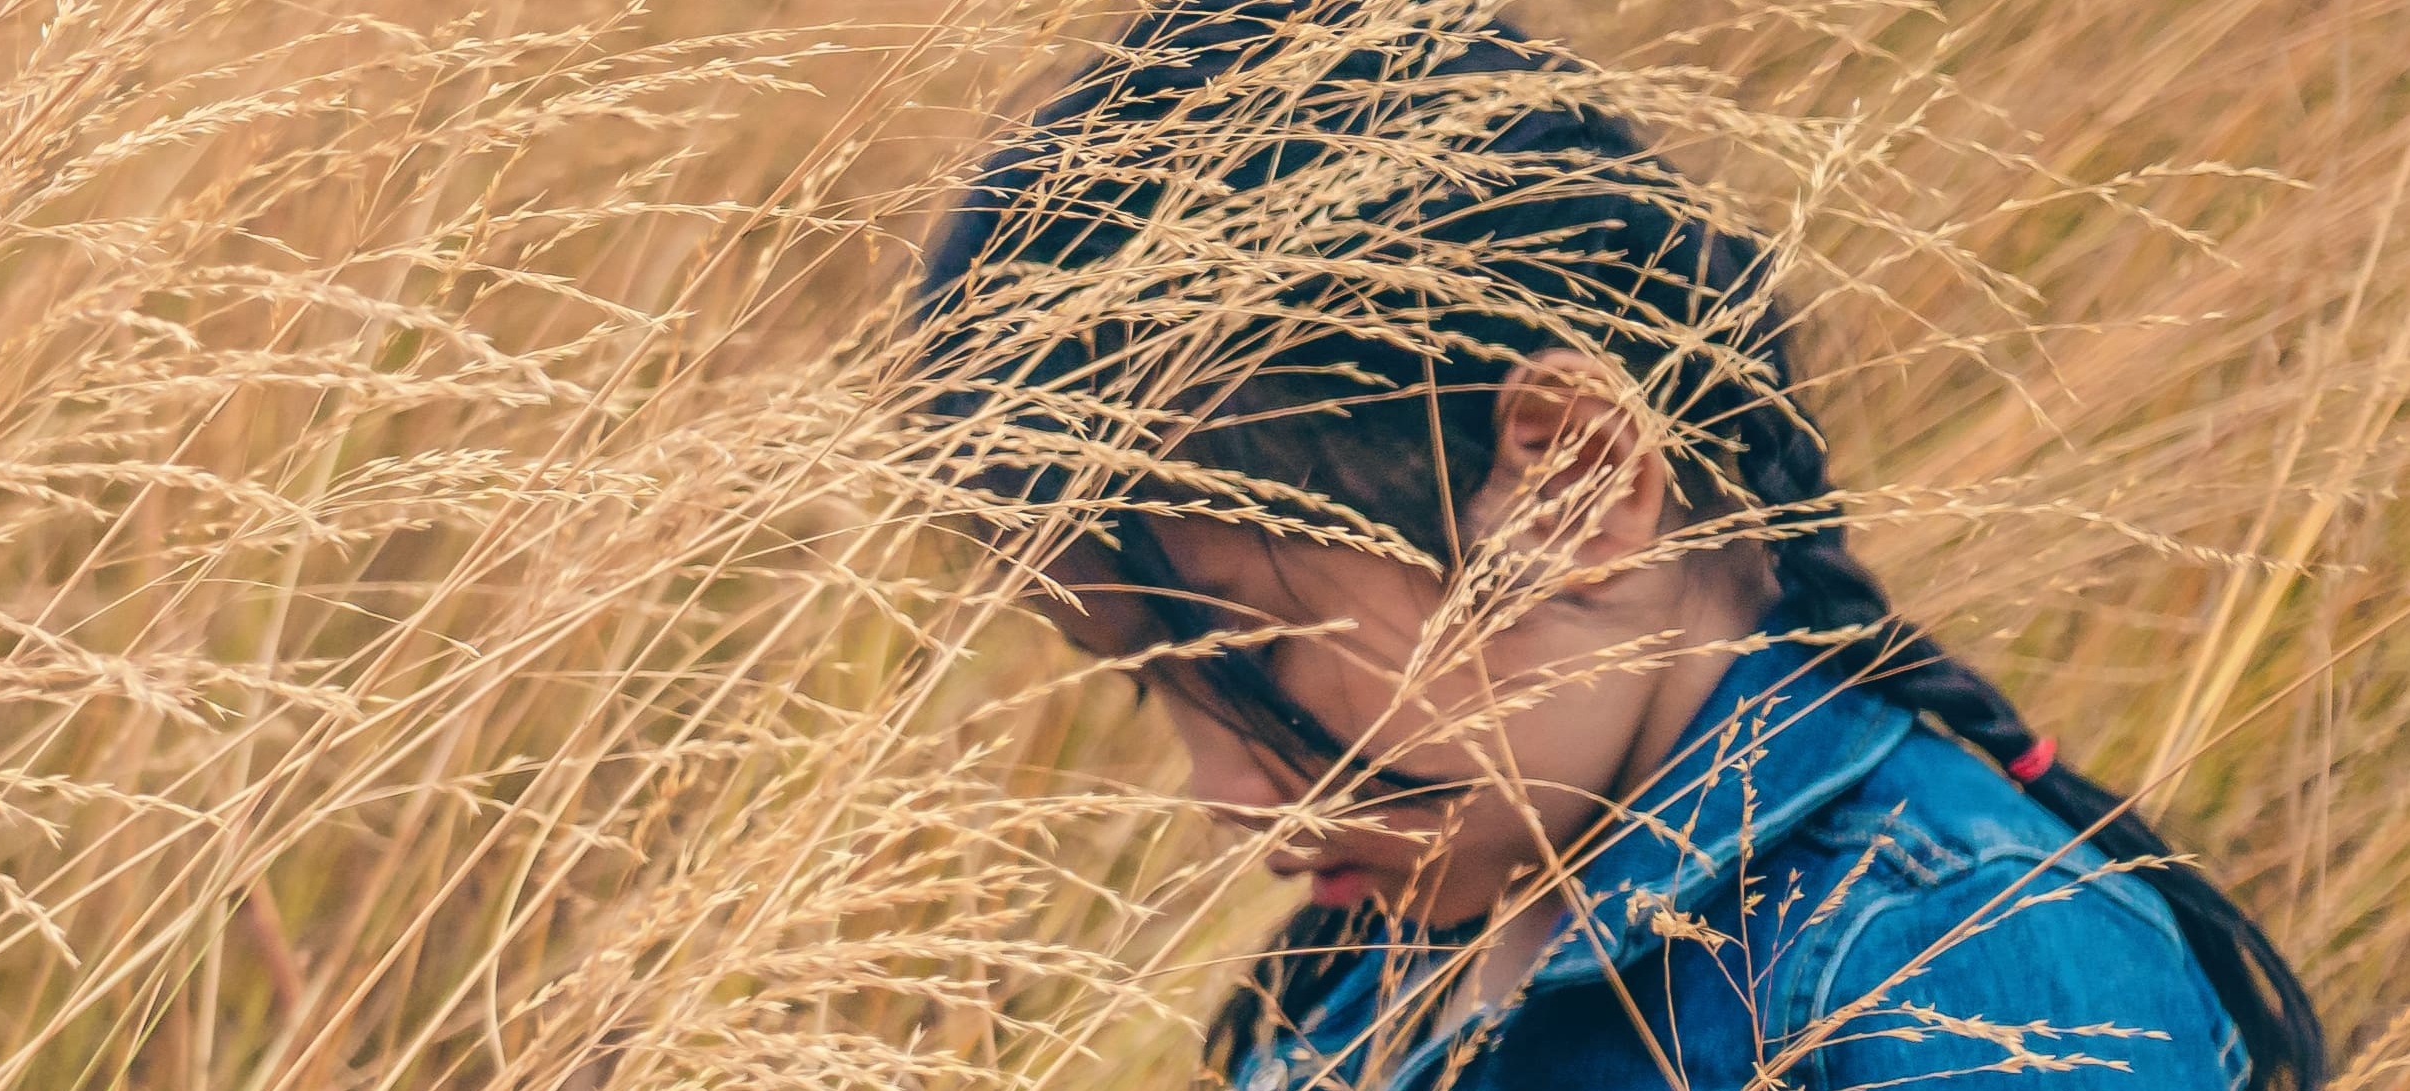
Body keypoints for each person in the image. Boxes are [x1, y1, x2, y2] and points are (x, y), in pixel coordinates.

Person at [901, 3, 2323, 1088]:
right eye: (1151, 685)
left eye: (1245, 653)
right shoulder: (1389, 968)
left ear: (1577, 476)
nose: (1227, 794)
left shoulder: (1966, 974)